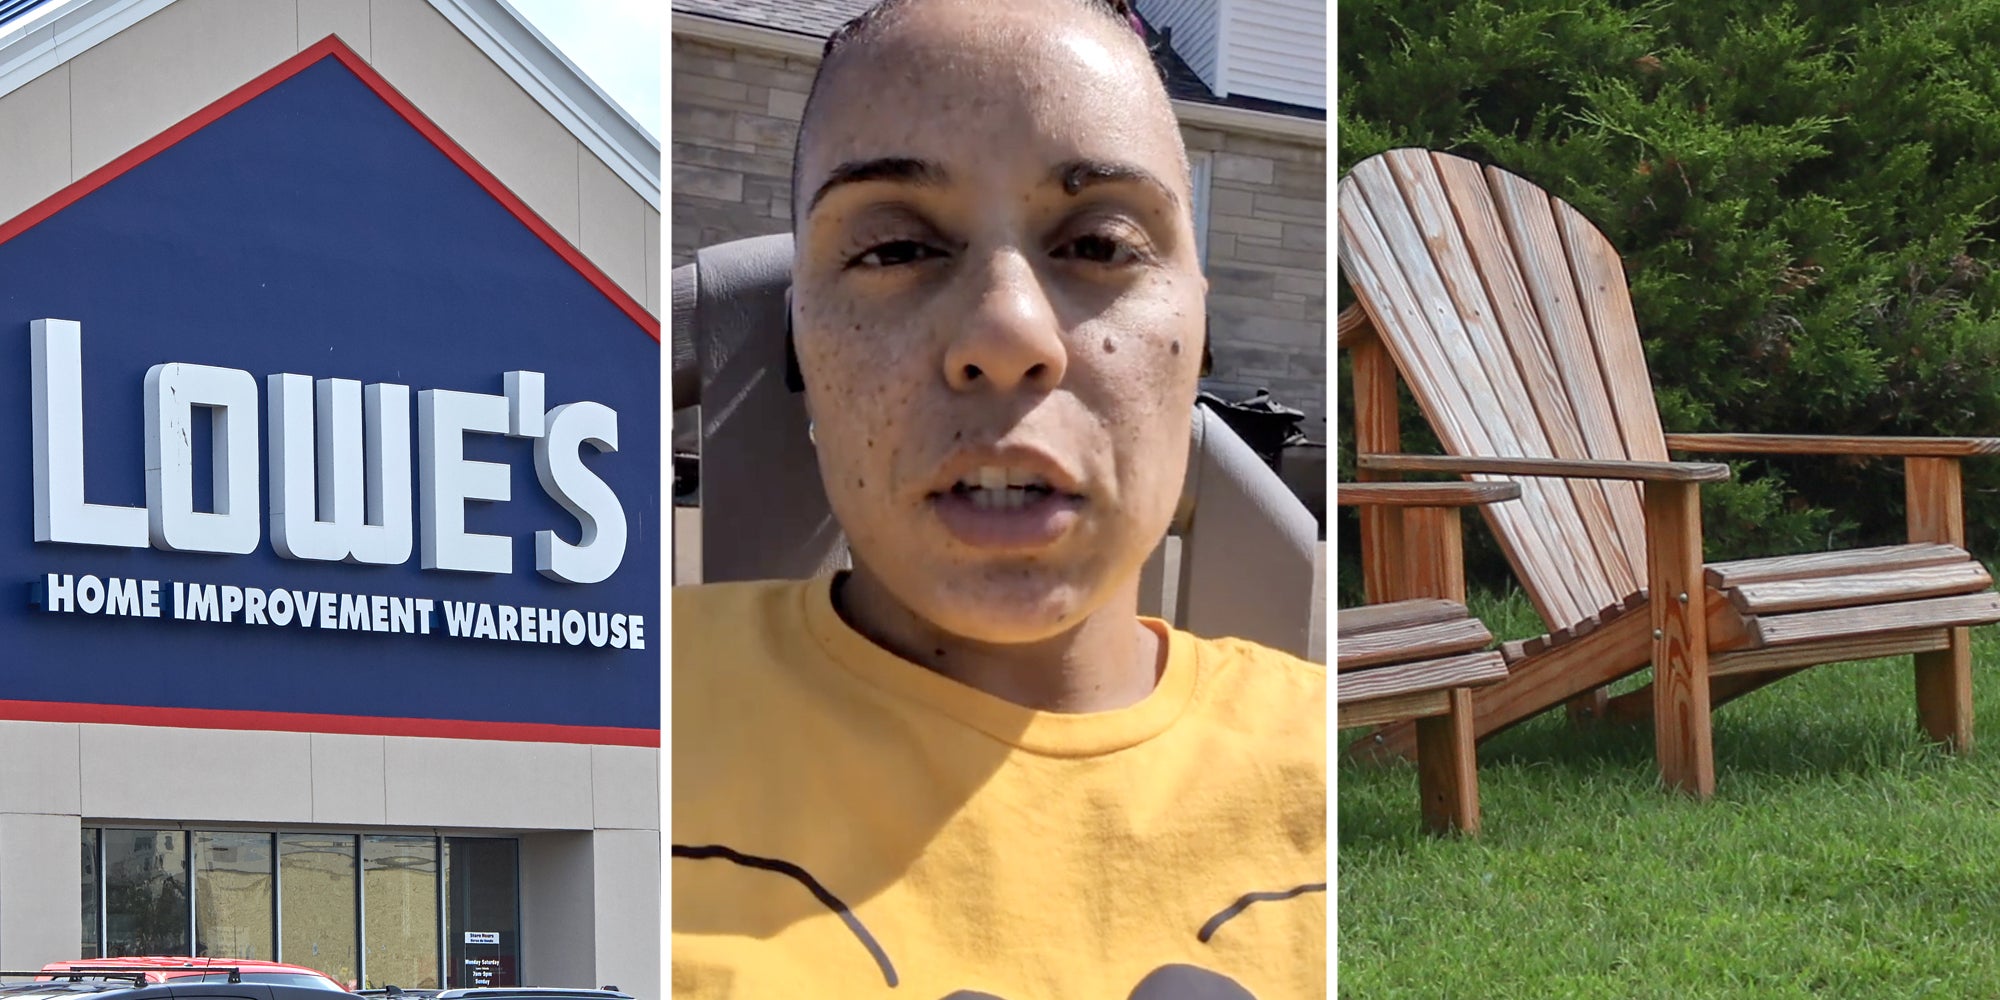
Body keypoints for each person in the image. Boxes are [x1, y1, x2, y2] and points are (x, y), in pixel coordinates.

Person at [670, 0, 1326, 995]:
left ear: (1197, 327)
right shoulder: (613, 707)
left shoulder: (1323, 765)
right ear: (800, 336)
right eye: (894, 250)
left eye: (1099, 244)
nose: (1008, 334)